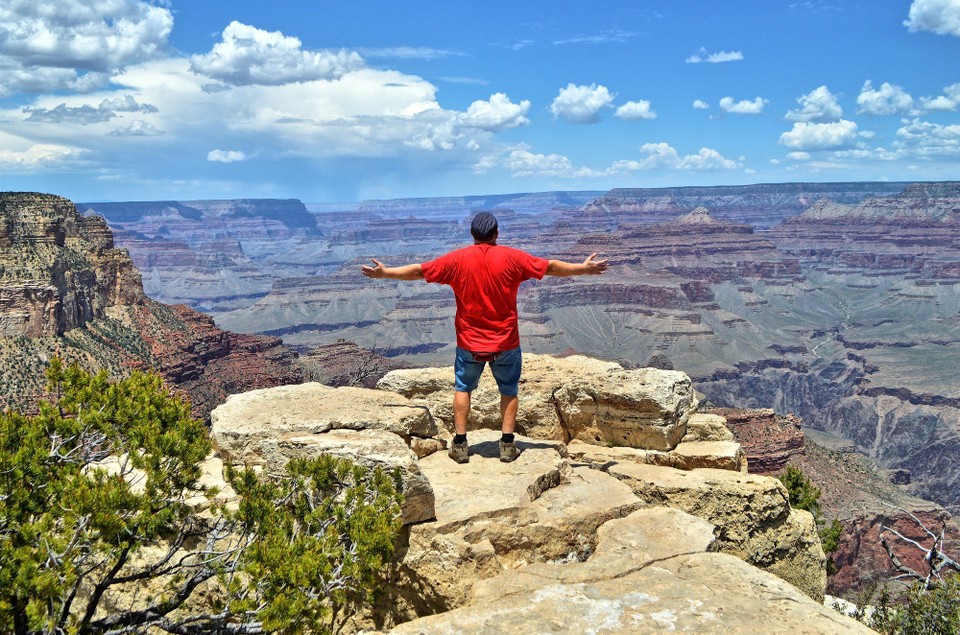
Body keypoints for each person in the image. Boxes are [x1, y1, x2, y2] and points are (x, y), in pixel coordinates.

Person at [361, 211, 608, 463]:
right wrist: (584, 269)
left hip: (469, 343)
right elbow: (551, 266)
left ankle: (459, 444)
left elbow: (419, 272)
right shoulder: (513, 257)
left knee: (463, 388)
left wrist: (385, 273)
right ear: (497, 233)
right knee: (509, 390)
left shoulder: (457, 260)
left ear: (472, 235)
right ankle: (508, 445)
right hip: (506, 342)